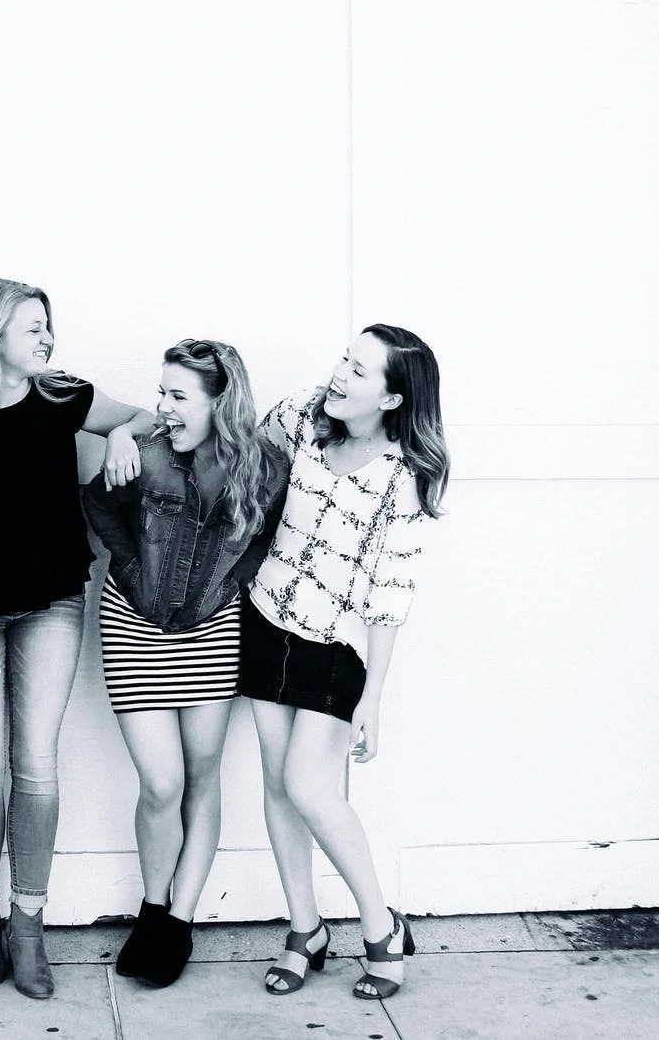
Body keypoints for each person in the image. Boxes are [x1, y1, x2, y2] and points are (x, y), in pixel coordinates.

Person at [0, 276, 155, 999]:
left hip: (53, 602)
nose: (46, 339)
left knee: (35, 765)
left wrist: (119, 430)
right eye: (32, 327)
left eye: (48, 327)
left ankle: (28, 923)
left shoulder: (66, 398)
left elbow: (153, 419)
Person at [240, 325, 449, 1002]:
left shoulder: (404, 476)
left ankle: (382, 926)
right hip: (265, 617)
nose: (340, 374)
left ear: (391, 396)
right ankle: (305, 930)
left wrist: (374, 696)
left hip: (336, 644)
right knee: (276, 782)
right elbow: (242, 460)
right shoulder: (303, 413)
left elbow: (391, 596)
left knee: (310, 787)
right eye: (344, 358)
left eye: (358, 371)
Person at [81, 339, 289, 988]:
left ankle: (178, 919)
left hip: (211, 632)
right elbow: (98, 506)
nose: (161, 405)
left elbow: (268, 535)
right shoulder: (141, 454)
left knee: (202, 775)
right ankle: (153, 901)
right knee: (162, 783)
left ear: (220, 401)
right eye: (161, 390)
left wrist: (233, 584)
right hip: (134, 626)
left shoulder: (265, 466)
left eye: (177, 395)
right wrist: (135, 568)